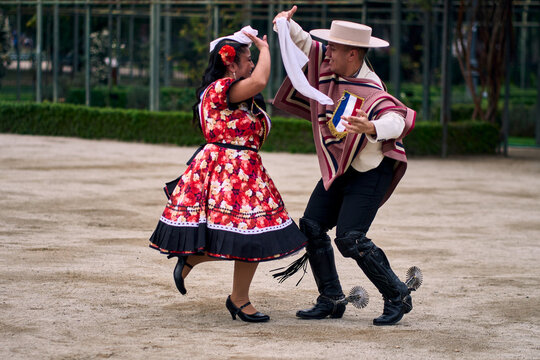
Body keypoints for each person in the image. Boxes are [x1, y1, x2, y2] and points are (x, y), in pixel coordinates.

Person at [148, 27, 307, 323]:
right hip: (227, 171)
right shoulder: (223, 89)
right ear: (230, 63)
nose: (251, 65)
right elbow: (260, 79)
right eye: (248, 59)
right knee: (249, 238)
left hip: (244, 173)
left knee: (250, 238)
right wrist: (267, 49)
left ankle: (228, 290)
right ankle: (237, 298)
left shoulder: (240, 97)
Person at [272, 6, 417, 326]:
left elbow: (396, 118)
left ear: (352, 54)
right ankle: (331, 298)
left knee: (350, 238)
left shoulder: (371, 88)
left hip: (371, 170)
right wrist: (285, 24)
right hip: (342, 167)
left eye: (334, 48)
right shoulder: (332, 66)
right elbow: (305, 44)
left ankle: (397, 294)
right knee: (310, 226)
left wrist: (372, 129)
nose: (326, 52)